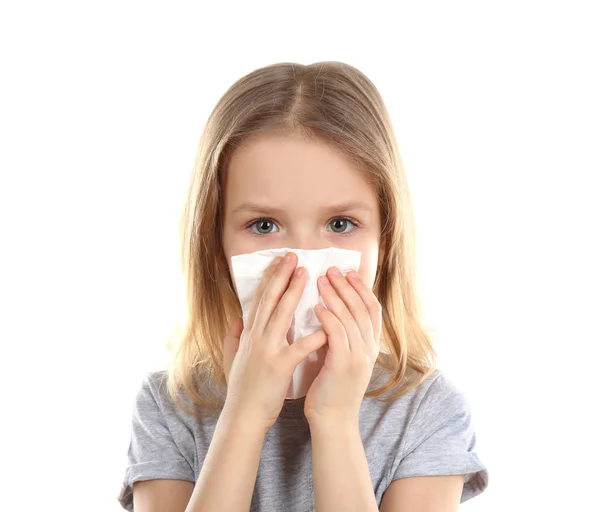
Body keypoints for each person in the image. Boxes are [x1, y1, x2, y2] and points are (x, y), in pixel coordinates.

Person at [117, 61, 489, 512]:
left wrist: (334, 421)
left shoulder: (425, 411)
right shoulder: (171, 405)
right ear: (216, 244)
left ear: (385, 241)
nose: (301, 262)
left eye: (340, 223)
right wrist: (245, 414)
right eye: (264, 224)